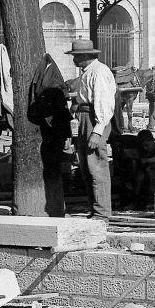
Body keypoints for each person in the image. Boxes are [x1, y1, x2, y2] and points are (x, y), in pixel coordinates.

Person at [69, 38, 115, 220]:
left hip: (94, 120)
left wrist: (97, 131)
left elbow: (104, 104)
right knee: (86, 166)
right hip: (84, 118)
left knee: (96, 165)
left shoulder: (99, 72)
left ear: (86, 56)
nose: (74, 60)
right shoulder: (87, 72)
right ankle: (95, 210)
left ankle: (102, 213)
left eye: (76, 57)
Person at [27, 53, 72, 217]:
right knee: (54, 171)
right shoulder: (57, 92)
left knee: (52, 171)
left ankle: (55, 208)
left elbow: (53, 116)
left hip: (52, 137)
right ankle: (57, 208)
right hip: (57, 136)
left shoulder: (49, 94)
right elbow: (65, 116)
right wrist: (67, 136)